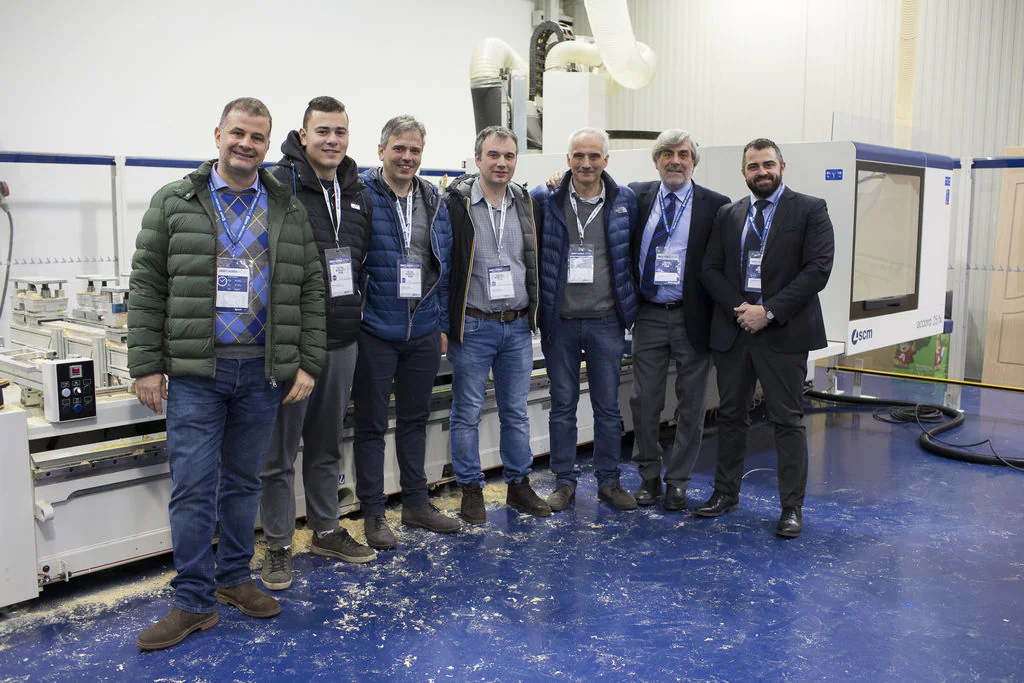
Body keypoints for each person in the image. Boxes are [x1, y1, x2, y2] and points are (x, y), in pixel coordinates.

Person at [129, 97, 325, 649]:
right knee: (193, 487)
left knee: (243, 483)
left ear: (267, 145)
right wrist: (147, 364)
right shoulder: (175, 201)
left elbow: (311, 288)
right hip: (197, 372)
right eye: (238, 133)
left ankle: (235, 578)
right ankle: (192, 600)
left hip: (261, 372)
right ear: (218, 135)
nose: (247, 144)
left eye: (257, 137)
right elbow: (146, 285)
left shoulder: (285, 206)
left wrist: (307, 361)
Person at [259, 96, 376, 592]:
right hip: (291, 344)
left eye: (339, 132)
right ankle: (278, 545)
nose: (332, 140)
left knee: (327, 445)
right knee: (279, 453)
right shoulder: (278, 185)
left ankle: (326, 529)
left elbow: (362, 259)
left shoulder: (356, 189)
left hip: (342, 339)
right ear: (303, 135)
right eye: (322, 131)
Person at [697, 138, 835, 538]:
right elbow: (710, 269)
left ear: (782, 167)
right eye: (754, 166)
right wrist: (742, 309)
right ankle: (726, 493)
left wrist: (768, 311)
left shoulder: (810, 209)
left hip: (784, 332)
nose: (762, 172)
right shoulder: (729, 214)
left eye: (768, 164)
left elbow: (818, 269)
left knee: (787, 420)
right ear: (744, 172)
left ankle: (791, 508)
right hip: (736, 330)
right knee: (730, 416)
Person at [353, 115, 459, 550]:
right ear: (381, 150)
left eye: (415, 150)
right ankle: (374, 512)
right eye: (399, 148)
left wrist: (442, 324)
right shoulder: (360, 194)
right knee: (371, 424)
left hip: (423, 328)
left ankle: (416, 503)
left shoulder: (433, 198)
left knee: (416, 419)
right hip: (374, 328)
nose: (407, 157)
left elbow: (443, 266)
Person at [444, 126, 550, 524]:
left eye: (509, 156)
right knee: (467, 412)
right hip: (474, 325)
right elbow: (444, 265)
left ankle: (519, 485)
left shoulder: (525, 202)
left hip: (517, 326)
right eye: (493, 155)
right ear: (477, 159)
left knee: (516, 413)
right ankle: (471, 489)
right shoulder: (455, 204)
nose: (502, 163)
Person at [530, 127, 640, 512]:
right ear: (567, 160)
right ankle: (564, 483)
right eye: (579, 155)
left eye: (594, 156)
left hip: (606, 321)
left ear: (606, 160)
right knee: (562, 405)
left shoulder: (625, 200)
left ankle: (609, 482)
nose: (586, 163)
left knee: (607, 407)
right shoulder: (545, 198)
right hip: (559, 322)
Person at [628, 129, 730, 510]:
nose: (675, 161)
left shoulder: (715, 205)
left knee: (692, 405)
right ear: (656, 161)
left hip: (693, 316)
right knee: (643, 401)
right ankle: (649, 476)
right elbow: (592, 187)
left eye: (683, 154)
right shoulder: (635, 196)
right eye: (667, 154)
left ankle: (678, 481)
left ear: (693, 162)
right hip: (649, 314)